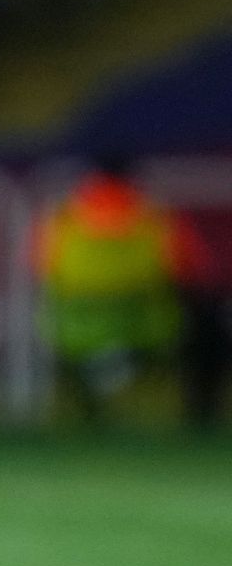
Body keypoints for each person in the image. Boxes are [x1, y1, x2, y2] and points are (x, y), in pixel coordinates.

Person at [36, 155, 224, 429]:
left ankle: (88, 412)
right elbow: (193, 271)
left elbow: (41, 270)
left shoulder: (62, 218)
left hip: (74, 329)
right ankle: (200, 416)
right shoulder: (157, 216)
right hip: (149, 326)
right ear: (134, 180)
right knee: (209, 321)